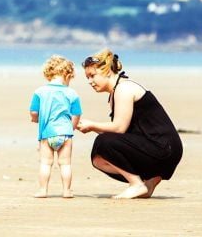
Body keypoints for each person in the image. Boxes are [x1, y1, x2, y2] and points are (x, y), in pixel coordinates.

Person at [77, 49, 183, 199]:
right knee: (98, 159)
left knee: (102, 143)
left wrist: (93, 125)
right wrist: (87, 126)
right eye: (87, 77)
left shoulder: (124, 88)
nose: (89, 81)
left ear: (107, 72)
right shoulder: (114, 93)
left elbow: (119, 128)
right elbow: (121, 134)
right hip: (160, 148)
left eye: (92, 76)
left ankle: (136, 184)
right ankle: (148, 182)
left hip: (164, 148)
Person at [29, 55, 82, 198]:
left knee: (46, 163)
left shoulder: (40, 92)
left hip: (47, 132)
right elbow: (76, 114)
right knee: (65, 164)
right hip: (65, 134)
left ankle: (43, 190)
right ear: (67, 75)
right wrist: (72, 127)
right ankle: (66, 191)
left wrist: (36, 119)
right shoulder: (72, 93)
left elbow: (34, 111)